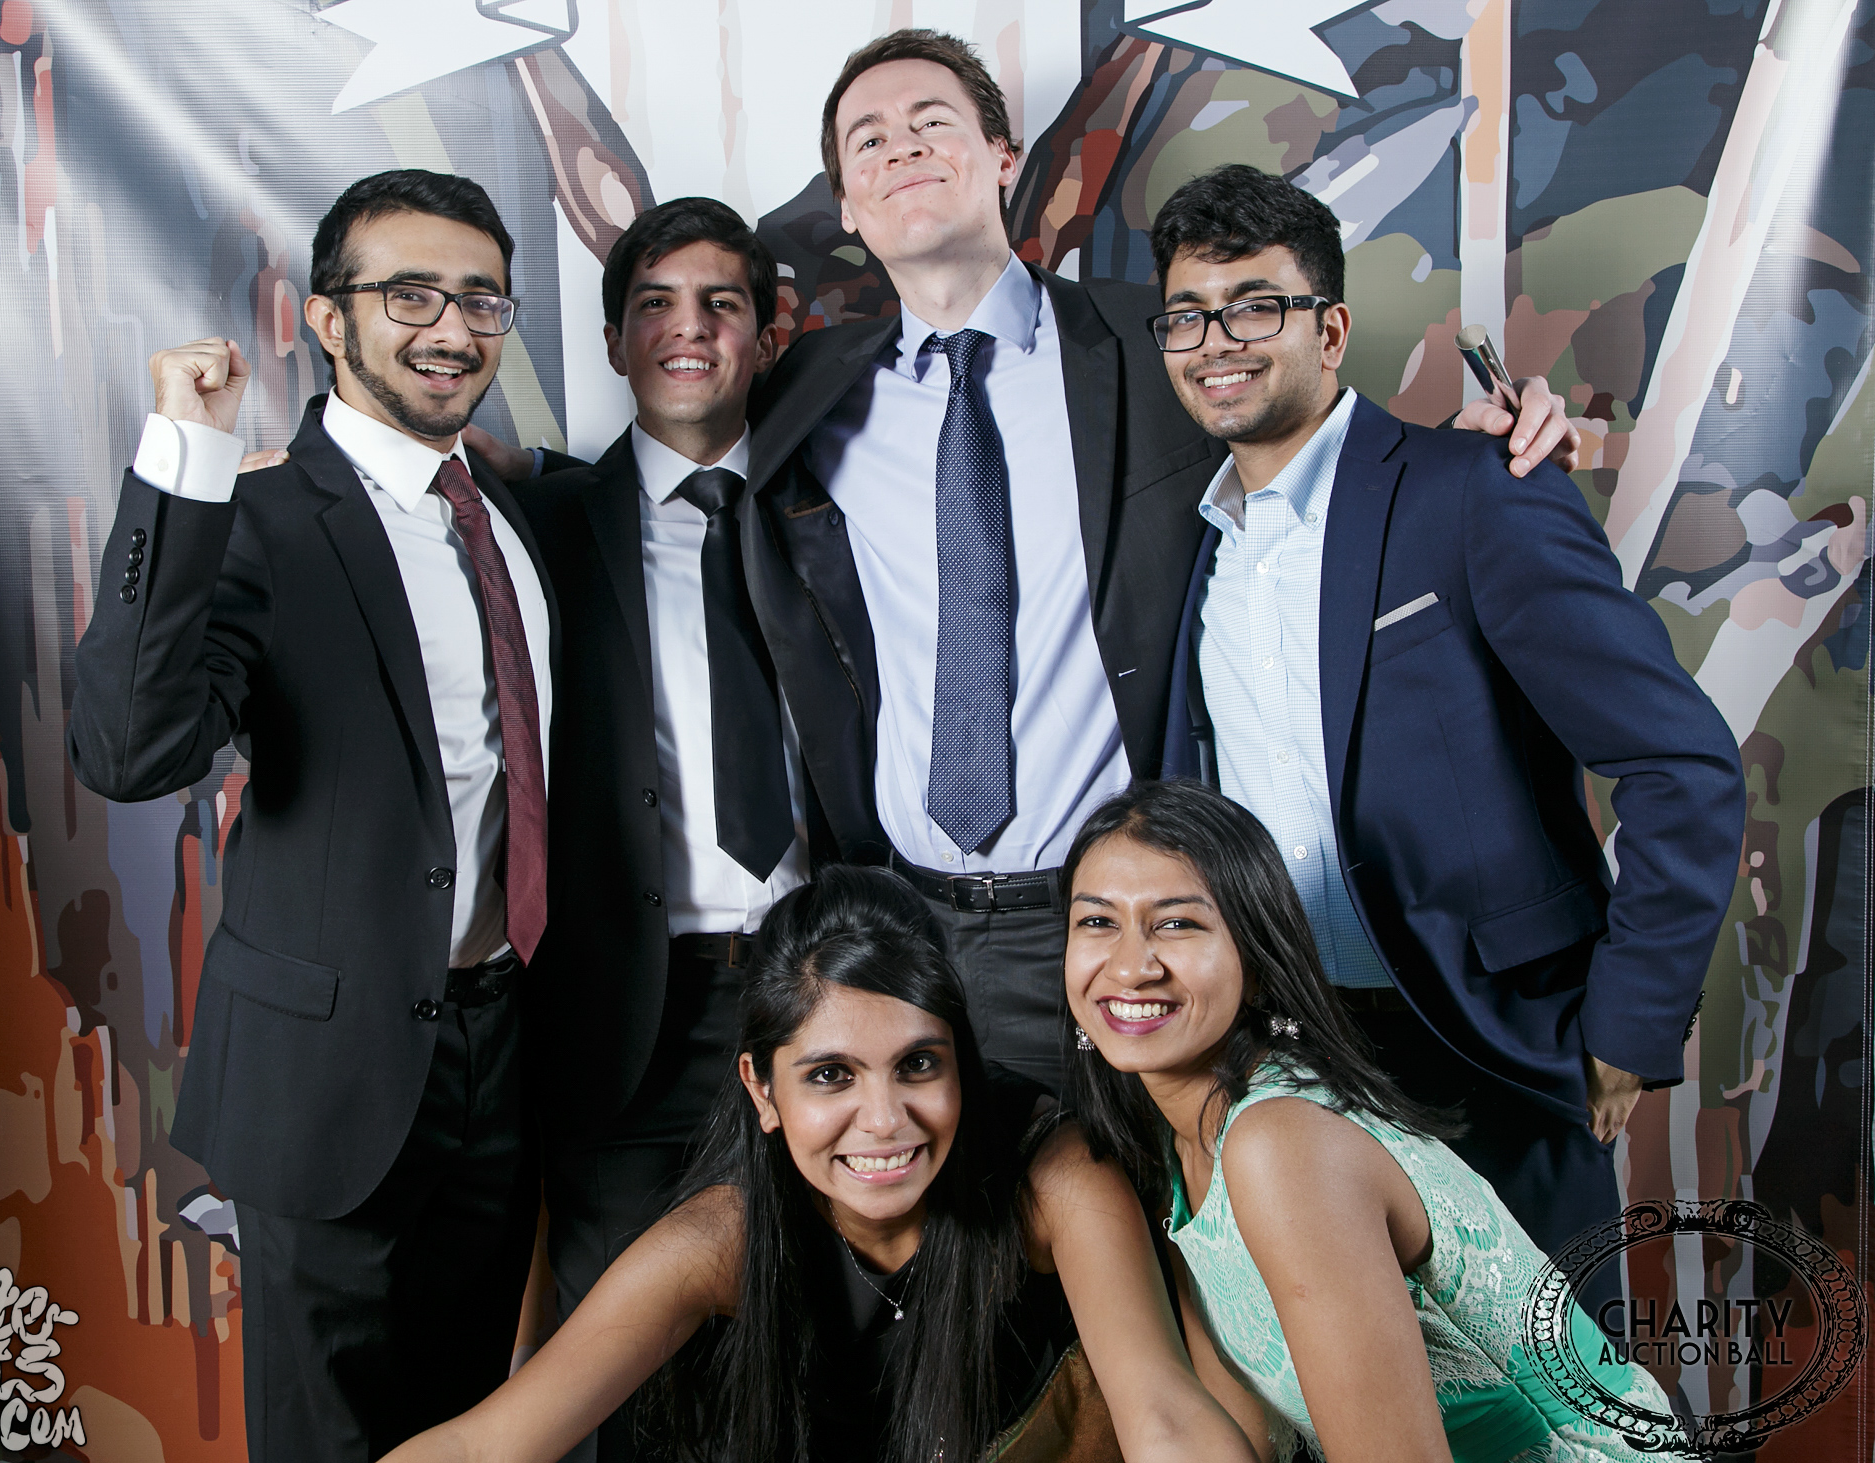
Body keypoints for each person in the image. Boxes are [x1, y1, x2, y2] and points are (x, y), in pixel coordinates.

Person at [737, 29, 1585, 1097]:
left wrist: (1476, 448)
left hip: (1124, 927)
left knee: (1148, 1200)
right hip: (904, 925)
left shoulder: (1167, 339)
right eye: (868, 139)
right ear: (847, 205)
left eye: (931, 121)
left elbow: (1314, 438)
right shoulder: (806, 393)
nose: (900, 147)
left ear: (1003, 156)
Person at [1148, 164, 1744, 1297]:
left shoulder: (1472, 487)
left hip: (1491, 1044)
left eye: (1255, 307)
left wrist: (1628, 1022)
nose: (1216, 341)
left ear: (1330, 330)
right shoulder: (1192, 546)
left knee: (1553, 1378)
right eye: (1189, 314)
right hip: (1282, 1059)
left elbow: (1682, 762)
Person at [68, 169, 554, 1461]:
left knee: (465, 1427)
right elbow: (127, 748)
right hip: (331, 1077)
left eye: (481, 299)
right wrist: (186, 460)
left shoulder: (507, 516)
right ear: (327, 319)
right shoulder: (260, 515)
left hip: (501, 1054)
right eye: (410, 294)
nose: (451, 327)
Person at [388, 865, 1257, 1463]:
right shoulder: (720, 1238)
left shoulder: (1053, 1175)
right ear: (761, 1089)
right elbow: (482, 1444)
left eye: (919, 1064)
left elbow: (1165, 1415)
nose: (883, 1120)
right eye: (831, 1075)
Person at [1062, 778, 1674, 1463]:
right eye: (1098, 922)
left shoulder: (1282, 1143)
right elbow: (1244, 1442)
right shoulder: (1178, 1144)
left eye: (1178, 923)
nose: (1130, 966)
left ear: (1256, 963)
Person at [499, 197, 803, 1463]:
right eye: (655, 306)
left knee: (808, 1344)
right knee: (624, 1373)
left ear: (767, 334)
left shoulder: (837, 505)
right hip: (631, 1005)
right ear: (616, 340)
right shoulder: (539, 524)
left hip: (814, 991)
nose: (689, 330)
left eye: (720, 304)